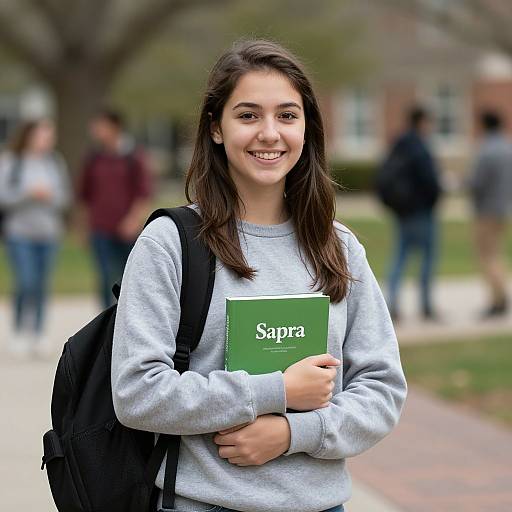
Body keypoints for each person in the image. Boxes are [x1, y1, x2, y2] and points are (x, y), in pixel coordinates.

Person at [111, 40, 407, 512]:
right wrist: (277, 391)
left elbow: (382, 388)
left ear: (307, 128)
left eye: (287, 116)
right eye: (248, 115)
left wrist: (293, 432)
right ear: (215, 128)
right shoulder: (170, 243)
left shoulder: (339, 246)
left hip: (321, 505)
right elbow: (138, 393)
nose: (270, 133)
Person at [0, 119, 70, 356]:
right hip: (19, 233)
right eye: (43, 135)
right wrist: (28, 193)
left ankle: (39, 332)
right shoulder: (12, 162)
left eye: (50, 135)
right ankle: (20, 330)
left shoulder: (54, 162)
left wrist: (49, 196)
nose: (47, 140)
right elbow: (4, 197)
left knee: (42, 284)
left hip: (48, 234)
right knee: (26, 281)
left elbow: (64, 198)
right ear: (29, 135)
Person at [77, 108, 153, 309]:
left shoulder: (133, 157)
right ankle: (106, 320)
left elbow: (143, 193)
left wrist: (133, 220)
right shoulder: (93, 159)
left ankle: (127, 315)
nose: (96, 130)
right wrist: (84, 227)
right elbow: (85, 196)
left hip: (127, 230)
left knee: (128, 277)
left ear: (115, 127)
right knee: (103, 277)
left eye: (101, 125)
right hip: (100, 228)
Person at [384, 106, 442, 322]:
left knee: (400, 256)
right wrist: (435, 198)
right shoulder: (419, 146)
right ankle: (426, 306)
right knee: (427, 257)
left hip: (402, 211)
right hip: (421, 211)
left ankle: (392, 304)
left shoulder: (399, 144)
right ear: (422, 122)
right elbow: (429, 180)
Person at [468, 110, 512, 317]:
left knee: (488, 256)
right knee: (497, 254)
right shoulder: (507, 147)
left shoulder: (486, 150)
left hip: (486, 210)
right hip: (503, 207)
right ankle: (500, 297)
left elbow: (477, 183)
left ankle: (498, 299)